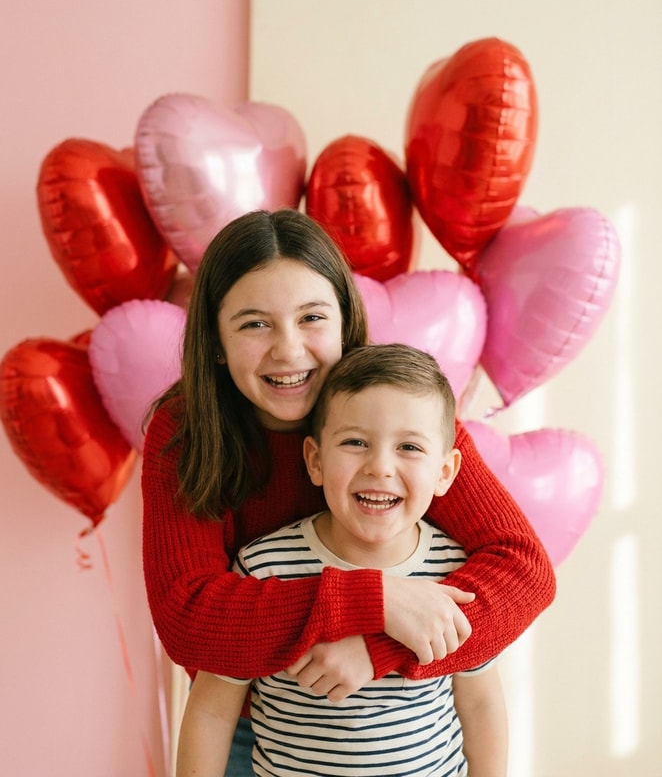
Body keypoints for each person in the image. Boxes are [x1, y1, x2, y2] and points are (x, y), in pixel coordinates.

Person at [141, 208, 554, 774]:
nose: (288, 351)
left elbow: (524, 569)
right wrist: (375, 601)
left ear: (344, 322)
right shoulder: (186, 431)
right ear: (215, 341)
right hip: (258, 733)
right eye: (253, 323)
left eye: (312, 317)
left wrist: (382, 646)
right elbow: (189, 620)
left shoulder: (400, 416)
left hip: (415, 732)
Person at [176, 344, 508, 777]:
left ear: (445, 471)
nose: (380, 467)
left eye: (409, 446)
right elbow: (211, 714)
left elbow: (480, 703)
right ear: (314, 460)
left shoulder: (455, 571)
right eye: (355, 442)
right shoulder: (264, 568)